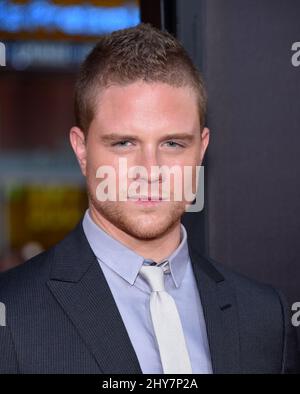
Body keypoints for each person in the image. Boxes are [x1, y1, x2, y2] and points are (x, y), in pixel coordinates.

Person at [0, 23, 299, 374]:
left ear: (201, 149)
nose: (150, 170)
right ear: (82, 150)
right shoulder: (12, 315)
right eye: (124, 143)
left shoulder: (266, 318)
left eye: (172, 144)